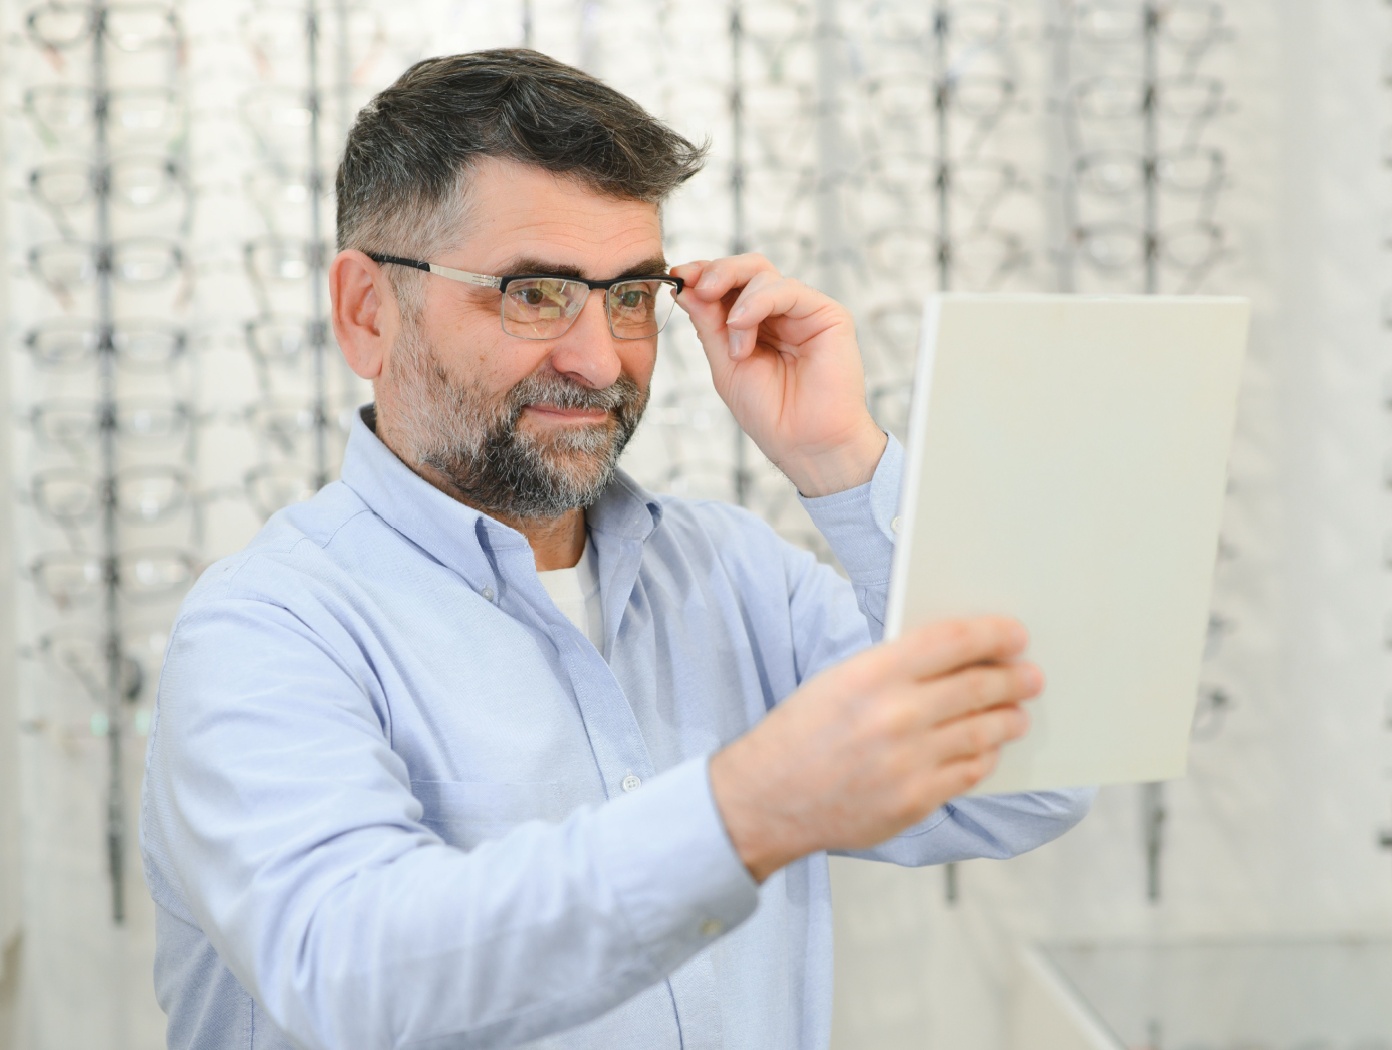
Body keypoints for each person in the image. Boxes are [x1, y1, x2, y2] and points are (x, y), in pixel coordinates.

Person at [140, 48, 1094, 1050]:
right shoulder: (265, 627)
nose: (600, 359)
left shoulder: (734, 575)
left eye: (632, 295)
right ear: (368, 312)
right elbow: (346, 973)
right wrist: (746, 812)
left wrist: (843, 459)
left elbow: (1033, 782)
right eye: (534, 292)